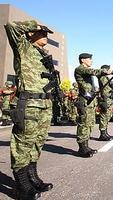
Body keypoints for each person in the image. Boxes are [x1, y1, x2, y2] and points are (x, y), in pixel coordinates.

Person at [5, 20, 55, 199]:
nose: (46, 36)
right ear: (31, 33)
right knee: (23, 143)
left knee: (37, 142)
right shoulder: (23, 47)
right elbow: (11, 26)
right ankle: (21, 186)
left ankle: (32, 177)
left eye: (47, 34)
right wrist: (34, 25)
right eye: (42, 33)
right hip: (29, 103)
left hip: (44, 104)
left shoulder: (43, 54)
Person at [74, 53, 113, 157]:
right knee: (84, 123)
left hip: (90, 100)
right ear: (82, 60)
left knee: (90, 123)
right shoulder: (80, 69)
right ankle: (82, 148)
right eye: (89, 59)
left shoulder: (87, 72)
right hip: (84, 100)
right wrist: (109, 72)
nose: (91, 61)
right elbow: (93, 71)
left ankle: (86, 146)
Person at [97, 64, 113, 141]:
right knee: (104, 116)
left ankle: (105, 132)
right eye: (108, 69)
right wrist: (104, 99)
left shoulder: (106, 78)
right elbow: (105, 90)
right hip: (105, 99)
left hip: (108, 99)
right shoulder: (103, 78)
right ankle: (102, 134)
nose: (109, 70)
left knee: (107, 115)